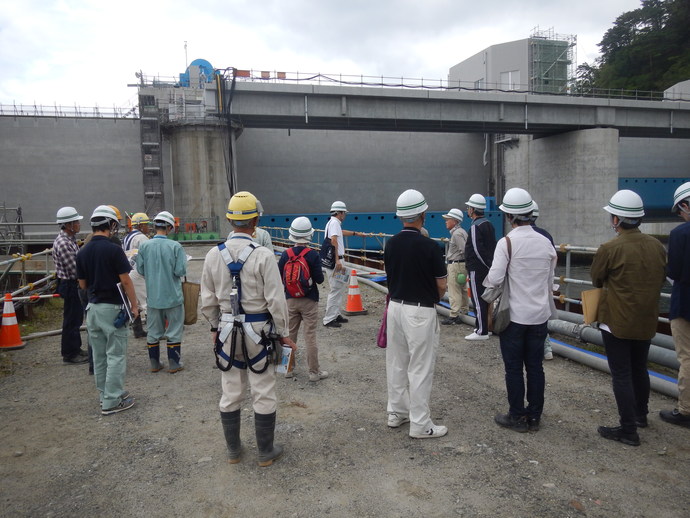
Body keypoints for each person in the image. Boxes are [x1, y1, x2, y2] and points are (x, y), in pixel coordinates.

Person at [200, 191, 297, 466]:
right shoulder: (264, 255)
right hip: (260, 330)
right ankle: (265, 451)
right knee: (263, 388)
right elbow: (276, 300)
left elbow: (207, 300)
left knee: (231, 389)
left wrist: (214, 326)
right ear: (255, 221)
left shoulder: (212, 255)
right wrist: (284, 333)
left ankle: (233, 450)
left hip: (228, 329)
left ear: (231, 220)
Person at [591, 190, 666, 446]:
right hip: (646, 319)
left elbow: (597, 279)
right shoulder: (657, 246)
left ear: (616, 220)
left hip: (617, 321)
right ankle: (640, 415)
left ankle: (627, 429)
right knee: (639, 368)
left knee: (621, 374)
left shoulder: (610, 248)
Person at [484, 188, 557, 433]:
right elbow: (550, 281)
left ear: (509, 217)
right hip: (540, 317)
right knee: (535, 367)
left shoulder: (506, 243)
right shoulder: (546, 242)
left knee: (514, 368)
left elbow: (494, 279)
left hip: (514, 316)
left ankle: (517, 415)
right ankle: (535, 416)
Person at [384, 189, 448, 439]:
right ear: (423, 214)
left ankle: (397, 412)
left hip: (395, 307)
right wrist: (434, 297)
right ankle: (420, 424)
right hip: (420, 310)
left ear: (401, 217)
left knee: (397, 363)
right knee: (420, 367)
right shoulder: (431, 247)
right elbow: (441, 285)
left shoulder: (391, 243)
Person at [76, 205, 138, 415]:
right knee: (116, 355)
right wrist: (135, 305)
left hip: (92, 309)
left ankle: (105, 395)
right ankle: (112, 401)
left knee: (100, 356)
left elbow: (82, 285)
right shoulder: (113, 250)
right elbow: (126, 281)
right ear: (111, 224)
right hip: (112, 308)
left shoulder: (82, 251)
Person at [136, 211, 187, 373]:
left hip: (153, 297)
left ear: (155, 226)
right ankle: (174, 363)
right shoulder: (175, 246)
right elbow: (180, 271)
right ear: (169, 227)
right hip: (172, 296)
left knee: (153, 331)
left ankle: (155, 364)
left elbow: (140, 269)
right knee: (174, 330)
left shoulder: (144, 246)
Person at [277, 217, 327, 382]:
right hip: (309, 300)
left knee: (290, 334)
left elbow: (279, 277)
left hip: (290, 300)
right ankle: (314, 372)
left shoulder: (286, 254)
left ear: (292, 235)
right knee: (310, 336)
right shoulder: (312, 255)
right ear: (309, 235)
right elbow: (320, 280)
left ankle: (287, 369)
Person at [660, 182, 690, 428]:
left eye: (679, 210)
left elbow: (674, 271)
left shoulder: (681, 234)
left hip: (685, 304)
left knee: (687, 358)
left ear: (685, 205)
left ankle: (686, 410)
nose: (680, 215)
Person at [53, 206, 88, 365]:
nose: (79, 224)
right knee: (72, 319)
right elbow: (75, 270)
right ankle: (70, 353)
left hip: (69, 283)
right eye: (76, 222)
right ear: (68, 225)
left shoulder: (69, 240)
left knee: (75, 318)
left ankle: (75, 348)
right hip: (70, 284)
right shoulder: (64, 244)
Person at [322, 201, 366, 328]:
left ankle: (335, 314)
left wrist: (356, 233)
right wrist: (337, 260)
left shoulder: (332, 223)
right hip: (338, 260)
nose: (345, 215)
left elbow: (340, 233)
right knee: (336, 289)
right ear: (339, 213)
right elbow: (334, 240)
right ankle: (329, 319)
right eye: (344, 213)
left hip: (337, 260)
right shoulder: (335, 223)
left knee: (339, 288)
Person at [464, 194, 496, 341]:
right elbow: (491, 247)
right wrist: (491, 266)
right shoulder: (488, 224)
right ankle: (484, 328)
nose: (467, 210)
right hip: (487, 268)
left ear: (473, 209)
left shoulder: (475, 226)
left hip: (477, 268)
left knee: (478, 299)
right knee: (485, 298)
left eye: (468, 207)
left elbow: (477, 249)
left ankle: (481, 331)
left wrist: (485, 265)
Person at [530, 202, 557, 361]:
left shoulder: (515, 236)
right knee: (542, 317)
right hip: (543, 282)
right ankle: (546, 348)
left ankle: (535, 350)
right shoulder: (546, 235)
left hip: (524, 284)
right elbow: (553, 259)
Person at [123, 212, 150, 338]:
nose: (148, 227)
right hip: (139, 272)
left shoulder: (128, 237)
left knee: (135, 302)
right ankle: (153, 329)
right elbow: (148, 256)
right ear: (140, 225)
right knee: (147, 301)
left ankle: (138, 330)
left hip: (130, 272)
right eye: (146, 225)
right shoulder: (142, 238)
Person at [441, 208, 469, 325]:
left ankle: (454, 315)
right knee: (462, 289)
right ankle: (464, 311)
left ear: (455, 221)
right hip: (461, 265)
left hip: (456, 264)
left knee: (454, 289)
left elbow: (463, 249)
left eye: (448, 219)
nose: (446, 221)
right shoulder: (461, 232)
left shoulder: (457, 234)